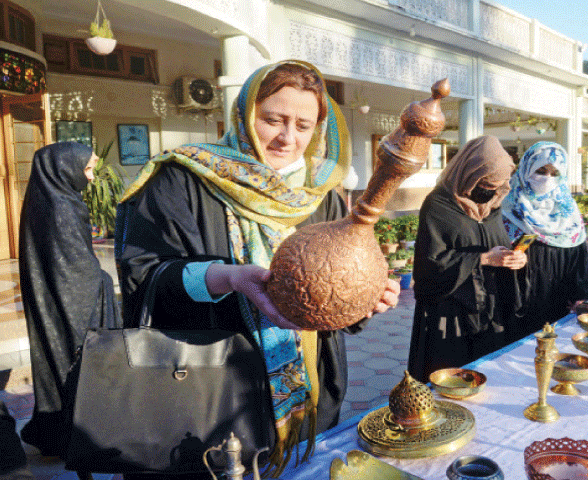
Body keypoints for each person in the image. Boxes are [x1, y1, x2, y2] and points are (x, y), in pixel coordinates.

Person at [115, 61, 398, 477]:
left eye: (304, 125)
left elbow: (333, 296)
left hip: (307, 379)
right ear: (246, 115)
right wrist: (226, 277)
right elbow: (143, 270)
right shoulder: (185, 178)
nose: (288, 138)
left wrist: (362, 300)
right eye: (273, 120)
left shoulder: (321, 197)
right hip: (214, 386)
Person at [18, 142, 121, 457]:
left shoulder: (47, 198)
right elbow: (76, 273)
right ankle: (79, 435)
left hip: (49, 298)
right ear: (64, 170)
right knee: (76, 365)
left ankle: (57, 433)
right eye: (86, 168)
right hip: (68, 303)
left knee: (56, 360)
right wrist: (105, 282)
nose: (90, 177)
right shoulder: (61, 207)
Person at [407, 135, 527, 383]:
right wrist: (483, 259)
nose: (492, 191)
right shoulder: (438, 206)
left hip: (489, 309)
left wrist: (515, 260)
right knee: (450, 379)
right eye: (487, 184)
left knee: (485, 376)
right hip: (450, 313)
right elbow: (430, 264)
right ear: (470, 174)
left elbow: (498, 245)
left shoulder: (493, 207)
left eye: (498, 185)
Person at [501, 142, 588, 342]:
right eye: (541, 170)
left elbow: (579, 255)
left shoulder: (568, 211)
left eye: (554, 173)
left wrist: (582, 296)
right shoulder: (507, 205)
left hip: (559, 297)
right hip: (518, 298)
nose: (547, 178)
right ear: (526, 168)